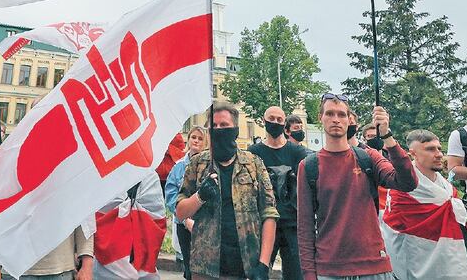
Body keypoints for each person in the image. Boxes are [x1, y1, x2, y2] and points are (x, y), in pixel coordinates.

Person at [297, 93, 417, 280]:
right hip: (330, 269)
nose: (336, 119)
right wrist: (309, 275)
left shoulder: (368, 157)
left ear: (349, 119)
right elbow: (305, 228)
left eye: (341, 114)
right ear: (321, 118)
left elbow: (408, 182)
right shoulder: (309, 166)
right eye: (330, 114)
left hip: (374, 266)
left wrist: (387, 136)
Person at [176, 101, 278, 280]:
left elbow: (269, 213)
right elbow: (180, 211)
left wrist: (263, 263)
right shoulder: (197, 164)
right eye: (214, 126)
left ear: (236, 130)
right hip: (205, 268)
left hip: (246, 265)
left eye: (224, 125)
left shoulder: (254, 164)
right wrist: (199, 197)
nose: (219, 129)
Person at [381, 130, 467, 280]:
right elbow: (393, 232)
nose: (438, 154)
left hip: (452, 264)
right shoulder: (401, 191)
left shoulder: (448, 190)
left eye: (439, 149)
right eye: (430, 149)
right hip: (416, 265)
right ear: (412, 154)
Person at [249, 106, 308, 280]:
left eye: (279, 119)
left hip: (292, 224)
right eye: (271, 118)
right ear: (263, 120)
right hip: (263, 224)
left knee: (296, 275)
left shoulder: (297, 152)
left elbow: (305, 187)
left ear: (284, 123)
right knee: (258, 274)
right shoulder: (253, 153)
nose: (275, 122)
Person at [94, 172, 163, 279]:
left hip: (105, 264)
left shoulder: (101, 174)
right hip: (141, 265)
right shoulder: (150, 175)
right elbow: (158, 218)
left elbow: (90, 218)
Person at [165, 126, 207, 279]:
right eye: (193, 137)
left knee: (204, 269)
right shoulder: (178, 167)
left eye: (200, 138)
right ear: (188, 139)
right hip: (184, 225)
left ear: (206, 143)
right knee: (189, 268)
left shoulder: (210, 166)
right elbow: (171, 197)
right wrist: (185, 219)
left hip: (205, 225)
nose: (196, 140)